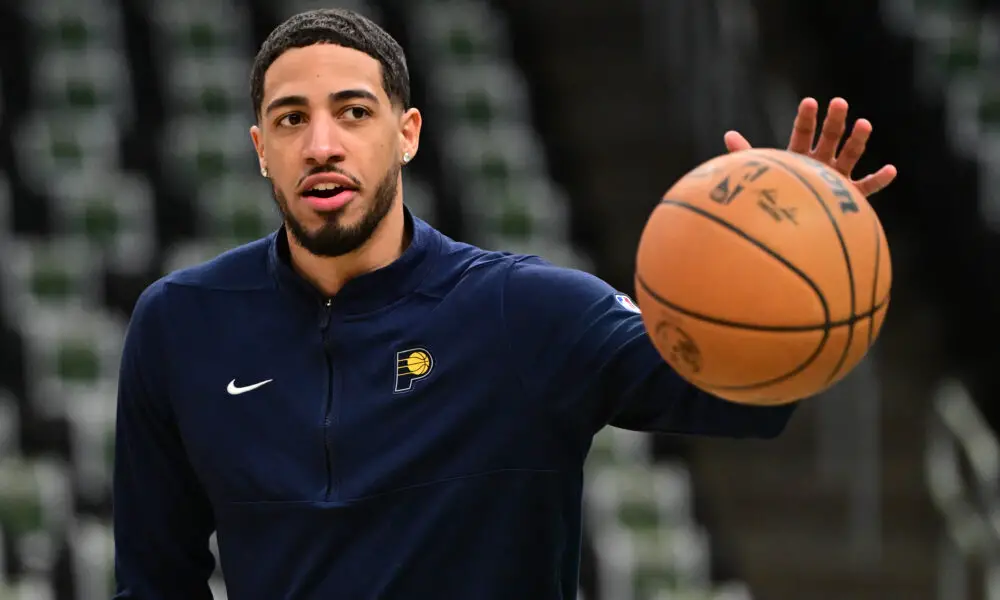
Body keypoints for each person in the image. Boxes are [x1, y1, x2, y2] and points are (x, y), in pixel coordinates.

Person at [111, 8, 897, 600]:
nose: (322, 144)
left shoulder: (528, 312)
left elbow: (732, 388)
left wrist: (806, 258)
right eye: (292, 119)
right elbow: (153, 578)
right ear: (260, 150)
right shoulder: (180, 324)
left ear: (407, 134)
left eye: (354, 112)